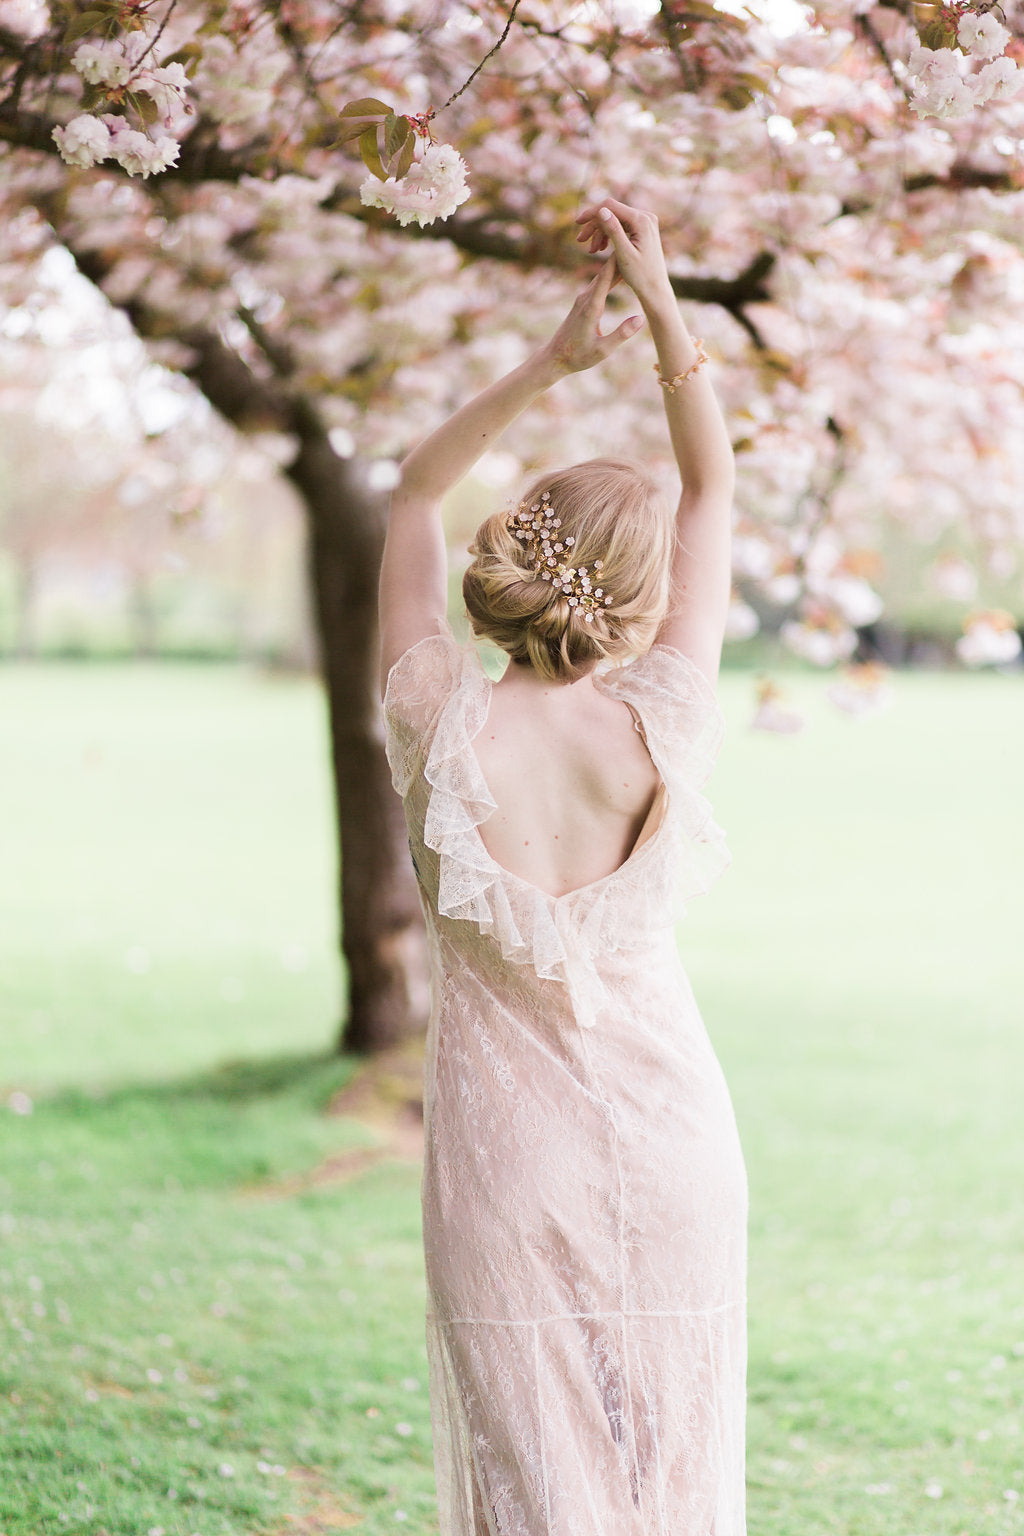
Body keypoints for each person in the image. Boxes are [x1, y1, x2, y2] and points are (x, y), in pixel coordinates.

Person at [378, 198, 747, 1536]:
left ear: (514, 550)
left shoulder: (435, 709)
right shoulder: (665, 716)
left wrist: (547, 363)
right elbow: (712, 488)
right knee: (668, 1472)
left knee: (540, 1487)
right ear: (641, 602)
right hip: (677, 1140)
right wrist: (660, 314)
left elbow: (416, 488)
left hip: (504, 1157)